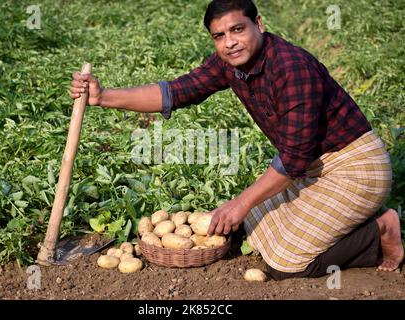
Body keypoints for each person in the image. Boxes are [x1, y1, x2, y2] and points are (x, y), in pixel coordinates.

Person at [70, 0, 403, 280]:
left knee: (287, 263)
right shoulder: (230, 63)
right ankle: (337, 220)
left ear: (258, 23)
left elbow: (295, 157)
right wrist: (104, 96)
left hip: (356, 169)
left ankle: (379, 230)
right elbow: (175, 92)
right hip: (313, 168)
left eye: (237, 29)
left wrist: (240, 202)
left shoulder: (291, 68)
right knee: (251, 226)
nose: (229, 42)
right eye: (219, 35)